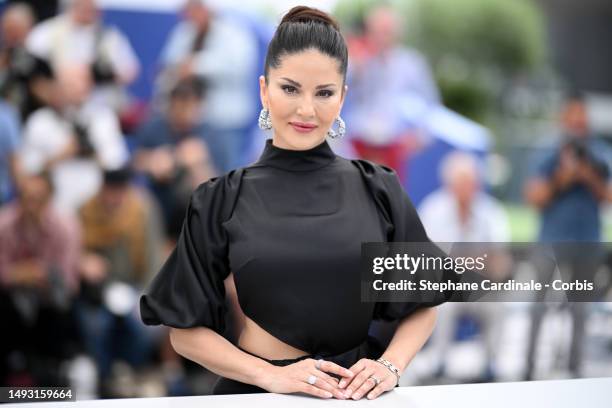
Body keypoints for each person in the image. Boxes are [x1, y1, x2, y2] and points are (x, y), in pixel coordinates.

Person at [140, 6, 450, 399]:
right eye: (290, 88)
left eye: (324, 92)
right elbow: (183, 332)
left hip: (354, 399)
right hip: (257, 396)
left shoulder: (379, 189)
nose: (307, 109)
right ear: (263, 90)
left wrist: (390, 365)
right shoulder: (222, 198)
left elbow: (424, 301)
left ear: (342, 98)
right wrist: (268, 375)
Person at [523, 92, 611, 379]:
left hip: (587, 242)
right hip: (550, 241)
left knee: (580, 308)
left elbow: (609, 196)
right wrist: (563, 178)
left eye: (580, 116)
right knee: (538, 306)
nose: (576, 122)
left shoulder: (599, 152)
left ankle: (575, 369)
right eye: (571, 116)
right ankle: (529, 368)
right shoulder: (548, 151)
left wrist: (588, 176)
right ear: (563, 118)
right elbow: (534, 197)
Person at [157, 0, 258, 170]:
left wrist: (196, 66)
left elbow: (240, 67)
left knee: (226, 172)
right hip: (190, 120)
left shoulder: (234, 32)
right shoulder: (183, 32)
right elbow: (168, 65)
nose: (191, 14)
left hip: (225, 121)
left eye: (195, 8)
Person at [25, 0, 140, 112]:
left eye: (90, 6)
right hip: (54, 105)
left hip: (99, 106)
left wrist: (96, 75)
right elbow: (30, 66)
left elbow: (130, 71)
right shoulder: (46, 33)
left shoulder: (109, 38)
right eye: (82, 4)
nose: (86, 9)